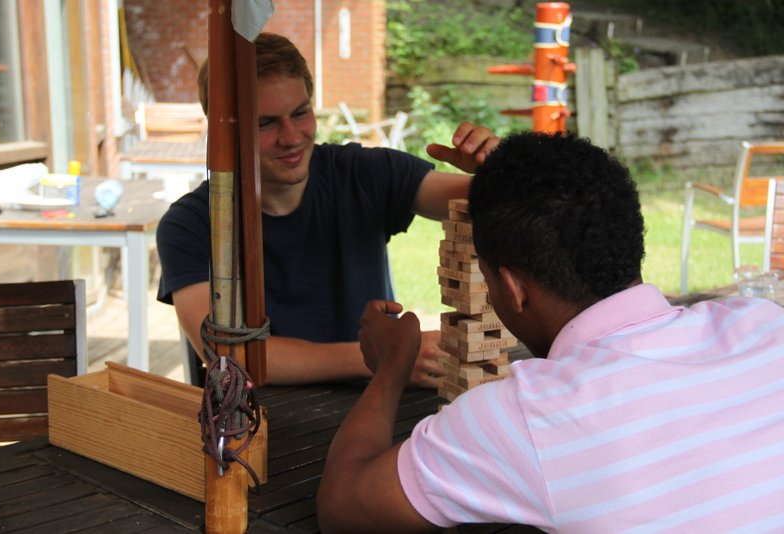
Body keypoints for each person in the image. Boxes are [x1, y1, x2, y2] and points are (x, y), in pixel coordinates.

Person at [317, 132, 784, 532]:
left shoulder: (528, 416)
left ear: (515, 288)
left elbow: (342, 507)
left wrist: (391, 368)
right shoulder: (762, 324)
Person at [156, 33, 500, 387]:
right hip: (263, 424)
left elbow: (487, 202)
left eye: (300, 113)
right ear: (223, 129)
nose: (291, 137)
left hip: (378, 406)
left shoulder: (360, 172)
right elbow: (227, 355)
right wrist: (384, 358)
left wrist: (499, 170)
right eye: (266, 123)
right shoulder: (191, 225)